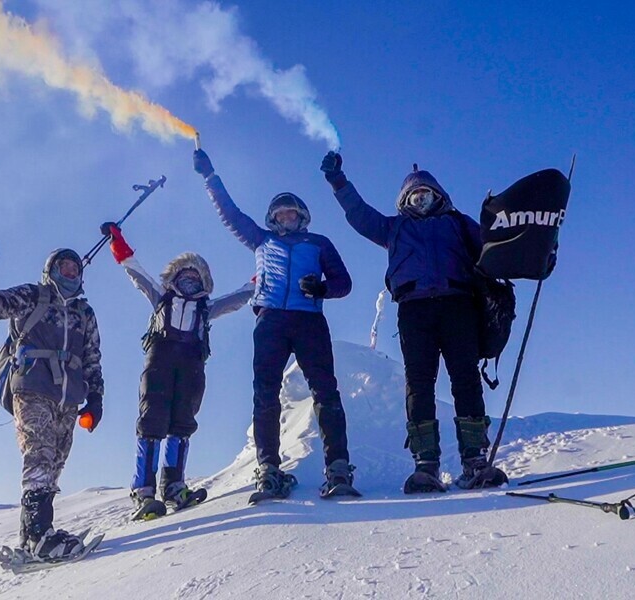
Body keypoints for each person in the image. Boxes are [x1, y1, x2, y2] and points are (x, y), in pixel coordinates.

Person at [319, 151, 508, 493]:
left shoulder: (458, 222)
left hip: (458, 304)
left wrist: (534, 251)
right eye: (414, 195)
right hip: (414, 309)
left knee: (465, 378)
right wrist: (338, 182)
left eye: (427, 193)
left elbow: (493, 246)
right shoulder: (394, 228)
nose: (421, 199)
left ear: (439, 195)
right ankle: (426, 464)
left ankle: (474, 459)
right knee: (419, 384)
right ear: (404, 201)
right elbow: (360, 215)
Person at [193, 148, 359, 500]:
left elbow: (344, 284)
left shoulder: (319, 243)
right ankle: (268, 469)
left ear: (302, 217)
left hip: (310, 321)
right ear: (272, 219)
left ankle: (339, 468)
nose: (286, 218)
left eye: (292, 214)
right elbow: (230, 214)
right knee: (264, 393)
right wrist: (210, 177)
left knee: (325, 391)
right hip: (270, 321)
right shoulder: (261, 240)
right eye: (280, 214)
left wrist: (323, 288)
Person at [99, 222, 254, 519]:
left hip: (192, 368)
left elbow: (241, 296)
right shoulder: (162, 297)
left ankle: (173, 486)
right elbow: (135, 270)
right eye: (186, 275)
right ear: (175, 277)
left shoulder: (206, 308)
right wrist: (116, 240)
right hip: (160, 362)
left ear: (204, 281)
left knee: (182, 423)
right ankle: (143, 492)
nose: (190, 281)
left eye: (196, 277)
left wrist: (264, 272)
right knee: (152, 421)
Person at [0, 238, 104, 557]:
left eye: (75, 267)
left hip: (69, 398)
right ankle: (41, 534)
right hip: (32, 385)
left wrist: (96, 398)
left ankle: (32, 534)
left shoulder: (85, 312)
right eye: (64, 266)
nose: (71, 271)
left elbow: (92, 358)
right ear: (51, 270)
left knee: (56, 460)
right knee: (38, 452)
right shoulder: (34, 295)